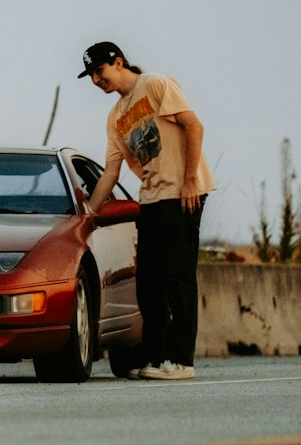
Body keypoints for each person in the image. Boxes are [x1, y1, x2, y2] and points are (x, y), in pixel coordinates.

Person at [79, 41, 214, 381]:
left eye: (99, 71)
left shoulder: (154, 84)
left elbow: (194, 126)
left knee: (178, 279)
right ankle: (155, 357)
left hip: (183, 194)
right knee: (148, 286)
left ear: (118, 62)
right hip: (150, 200)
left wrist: (189, 181)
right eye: (91, 75)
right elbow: (110, 174)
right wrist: (88, 214)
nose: (96, 80)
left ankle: (181, 361)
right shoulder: (115, 117)